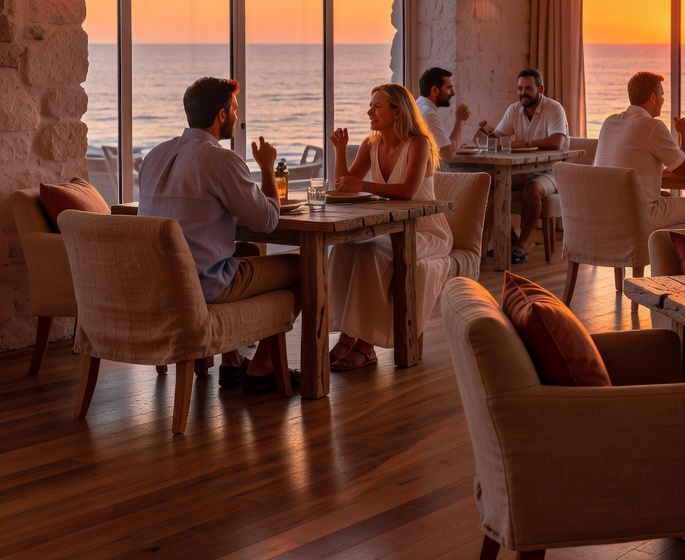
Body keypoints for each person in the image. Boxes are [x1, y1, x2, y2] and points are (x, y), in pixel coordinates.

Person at [138, 77, 300, 394]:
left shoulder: (154, 155)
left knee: (248, 252)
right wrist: (267, 168)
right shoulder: (223, 161)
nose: (237, 117)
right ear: (221, 116)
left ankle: (231, 362)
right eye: (235, 110)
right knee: (304, 269)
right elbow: (267, 220)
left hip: (158, 282)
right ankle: (263, 369)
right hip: (202, 285)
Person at [326, 83, 454, 371]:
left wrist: (363, 185)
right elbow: (344, 187)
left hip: (425, 231)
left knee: (370, 254)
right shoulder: (371, 144)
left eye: (377, 106)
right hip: (391, 229)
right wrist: (340, 151)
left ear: (397, 112)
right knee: (344, 249)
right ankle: (349, 336)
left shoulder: (418, 143)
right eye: (371, 106)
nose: (369, 111)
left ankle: (367, 344)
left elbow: (408, 191)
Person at [474, 69, 568, 264]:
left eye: (528, 88)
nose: (523, 92)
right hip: (521, 170)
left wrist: (525, 143)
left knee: (532, 188)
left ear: (540, 89)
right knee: (491, 182)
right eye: (520, 88)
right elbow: (499, 139)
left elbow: (557, 142)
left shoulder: (554, 108)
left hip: (551, 170)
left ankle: (523, 244)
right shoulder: (513, 110)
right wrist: (488, 133)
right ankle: (510, 241)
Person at [595, 71, 685, 228]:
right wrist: (683, 133)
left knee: (667, 196)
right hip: (641, 213)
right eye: (662, 95)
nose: (663, 100)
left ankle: (665, 245)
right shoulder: (652, 127)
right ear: (653, 97)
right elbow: (684, 170)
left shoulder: (609, 122)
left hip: (608, 212)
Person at [416, 66, 471, 162]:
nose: (453, 93)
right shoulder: (429, 114)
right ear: (434, 90)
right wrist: (459, 120)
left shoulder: (419, 104)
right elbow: (447, 155)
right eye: (449, 88)